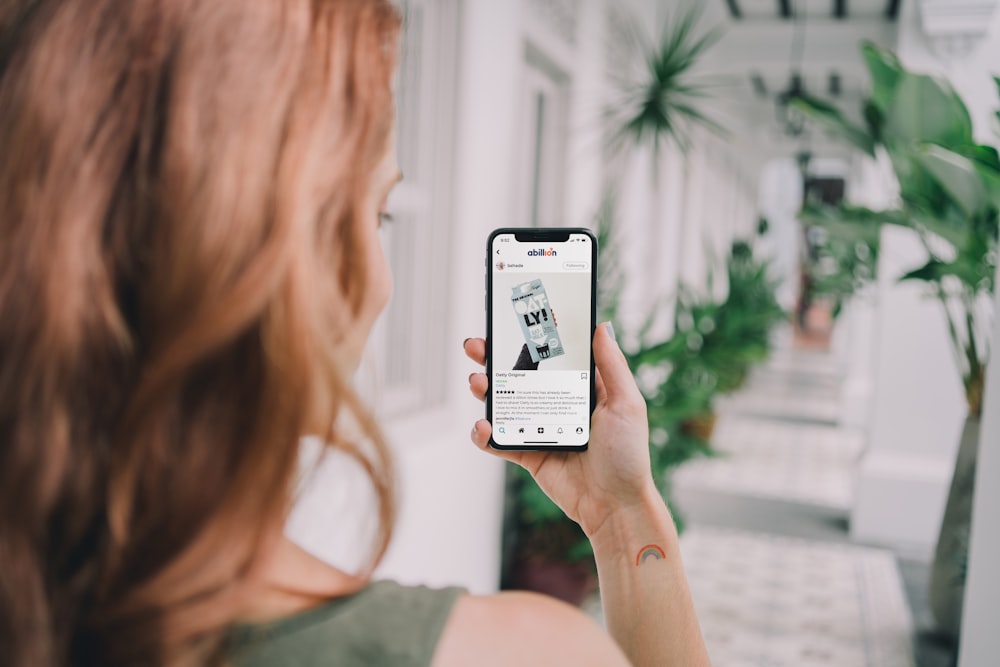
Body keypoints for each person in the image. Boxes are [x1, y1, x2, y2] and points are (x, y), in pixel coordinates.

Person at [0, 1, 709, 665]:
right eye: (377, 214)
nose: (381, 279)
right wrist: (623, 517)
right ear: (259, 254)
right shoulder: (527, 653)